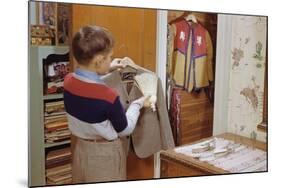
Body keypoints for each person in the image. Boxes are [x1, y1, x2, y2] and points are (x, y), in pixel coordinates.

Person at [63, 25, 147, 183]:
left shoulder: (68, 82)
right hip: (105, 156)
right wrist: (138, 104)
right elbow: (125, 129)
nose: (111, 60)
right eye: (109, 58)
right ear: (99, 60)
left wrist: (107, 68)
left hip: (80, 150)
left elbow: (87, 87)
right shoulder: (108, 96)